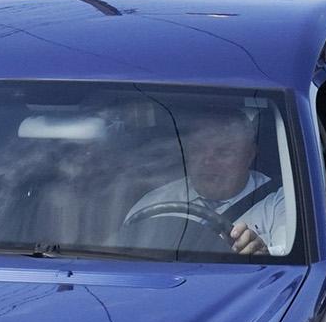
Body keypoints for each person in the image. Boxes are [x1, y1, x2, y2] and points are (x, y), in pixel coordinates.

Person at [123, 102, 295, 256]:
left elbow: (288, 260)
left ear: (249, 155)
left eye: (222, 152)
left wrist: (261, 254)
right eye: (197, 150)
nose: (206, 162)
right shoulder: (153, 204)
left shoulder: (282, 203)